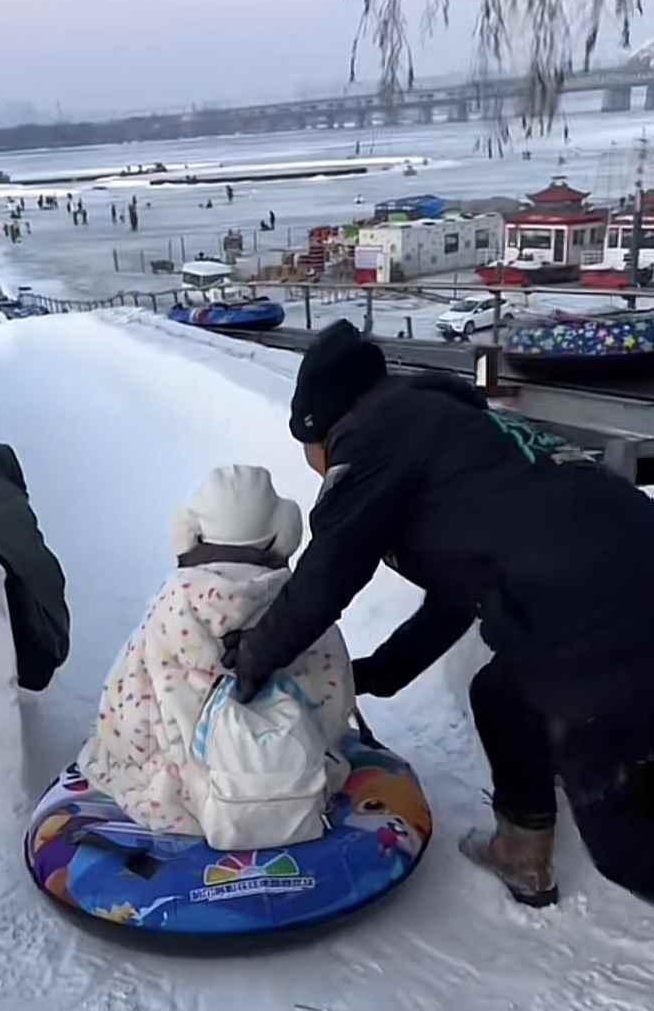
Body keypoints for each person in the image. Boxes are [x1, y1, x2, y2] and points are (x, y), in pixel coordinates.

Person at [222, 320, 654, 907]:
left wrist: (255, 655)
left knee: (625, 836)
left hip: (599, 619)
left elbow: (327, 574)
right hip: (614, 574)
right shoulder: (446, 429)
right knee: (503, 696)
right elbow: (460, 592)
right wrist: (382, 671)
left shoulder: (372, 441)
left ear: (321, 428)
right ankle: (522, 852)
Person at [79, 465, 355, 837]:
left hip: (194, 788)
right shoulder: (299, 602)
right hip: (295, 773)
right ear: (284, 529)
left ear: (189, 532)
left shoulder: (172, 603)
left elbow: (126, 698)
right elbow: (334, 691)